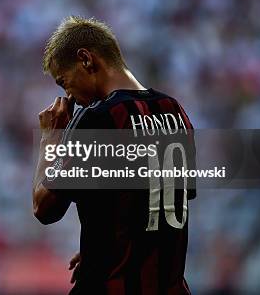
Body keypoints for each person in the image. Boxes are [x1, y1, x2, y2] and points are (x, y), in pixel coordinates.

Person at [32, 16, 195, 294]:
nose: (69, 96)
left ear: (86, 59)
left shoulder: (100, 119)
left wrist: (51, 139)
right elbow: (166, 201)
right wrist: (103, 247)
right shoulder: (174, 111)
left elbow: (44, 208)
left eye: (64, 82)